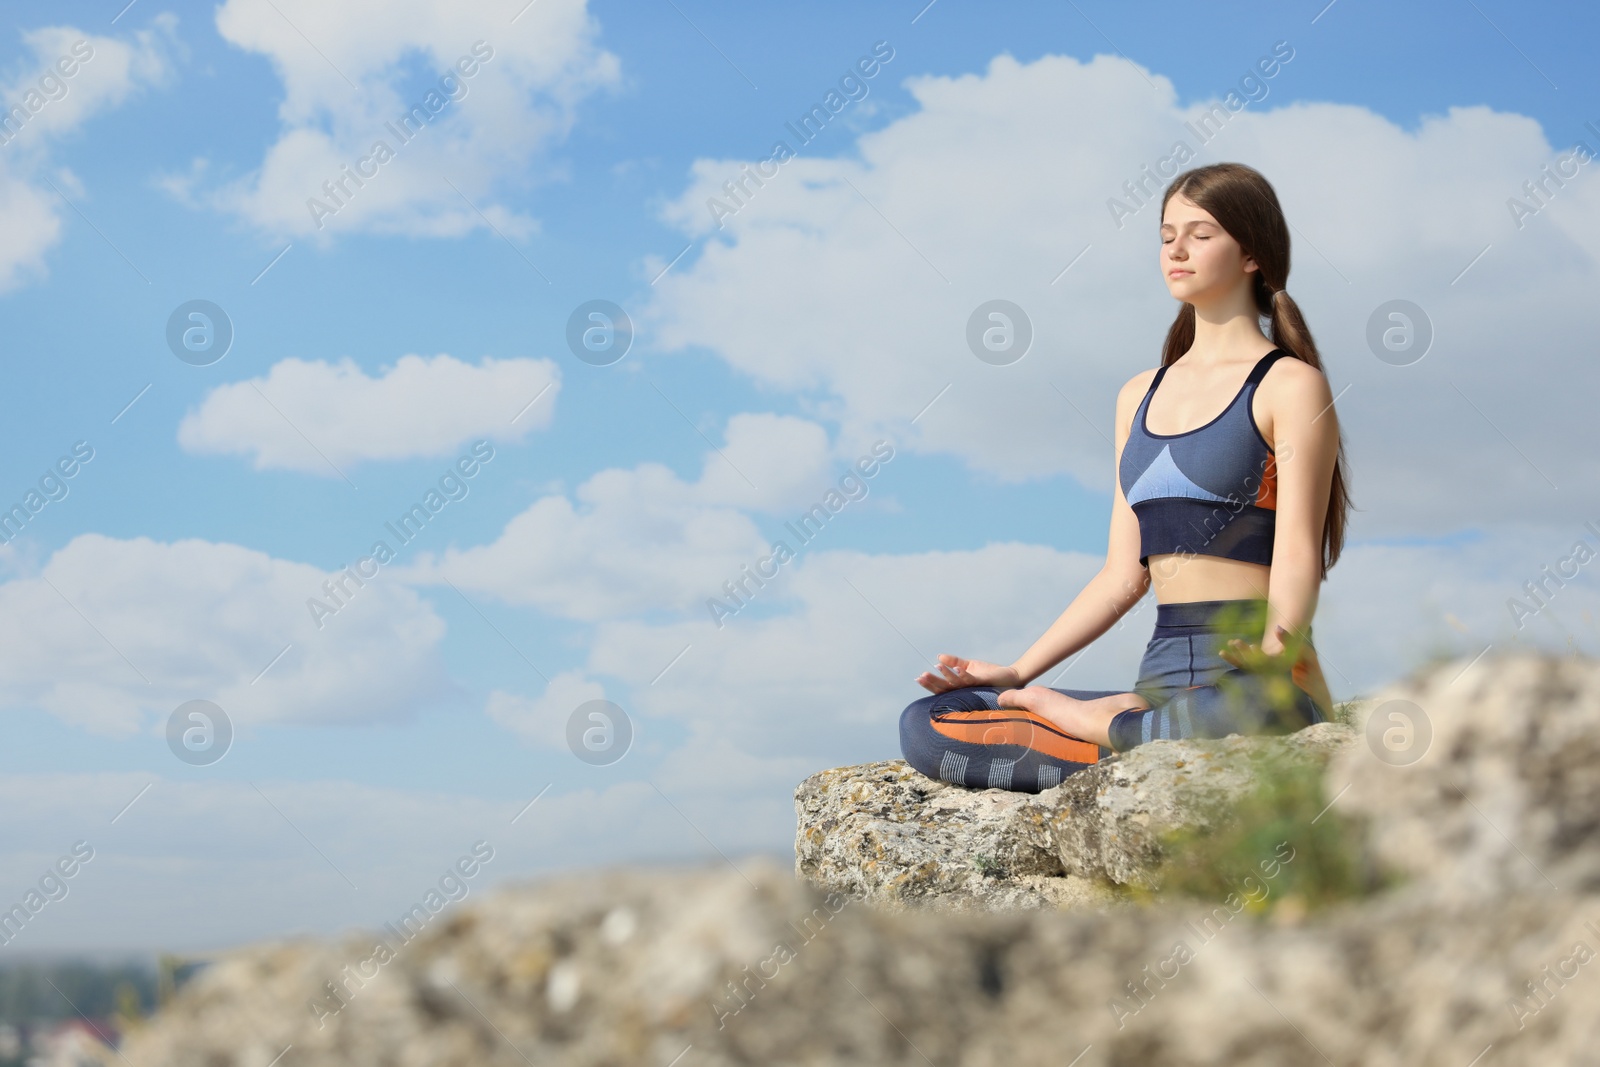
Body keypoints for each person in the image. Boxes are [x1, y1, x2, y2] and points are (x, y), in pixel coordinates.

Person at [899, 162, 1349, 794]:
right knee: (931, 723)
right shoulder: (1138, 395)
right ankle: (1132, 738)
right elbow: (1121, 575)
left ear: (1251, 253)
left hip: (1257, 682)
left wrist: (1278, 650)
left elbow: (1299, 550)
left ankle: (1108, 731)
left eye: (1201, 233)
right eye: (1167, 235)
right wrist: (1019, 672)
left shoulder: (1290, 385)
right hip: (1161, 685)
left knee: (1247, 711)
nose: (1177, 250)